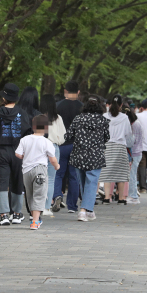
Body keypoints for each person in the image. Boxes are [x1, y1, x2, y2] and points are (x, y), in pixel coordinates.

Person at [0, 83, 32, 226]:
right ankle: (17, 213)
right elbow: (27, 133)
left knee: (2, 182)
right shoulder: (22, 113)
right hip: (18, 150)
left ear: (4, 97)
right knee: (17, 180)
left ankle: (3, 215)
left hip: (2, 150)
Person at [64, 95, 110, 221]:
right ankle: (84, 210)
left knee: (83, 182)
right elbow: (107, 138)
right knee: (91, 182)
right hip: (95, 155)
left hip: (79, 155)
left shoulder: (78, 119)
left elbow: (68, 136)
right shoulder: (103, 121)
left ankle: (89, 210)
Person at [15, 115, 60, 229]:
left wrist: (26, 156)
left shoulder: (24, 139)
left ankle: (35, 217)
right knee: (39, 194)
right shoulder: (46, 142)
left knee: (30, 195)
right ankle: (35, 222)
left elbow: (18, 154)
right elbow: (52, 158)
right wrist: (56, 165)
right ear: (46, 128)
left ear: (33, 126)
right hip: (40, 170)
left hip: (26, 171)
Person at [52, 81, 83, 213]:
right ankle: (72, 206)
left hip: (61, 145)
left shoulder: (58, 106)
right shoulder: (82, 107)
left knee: (58, 174)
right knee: (74, 176)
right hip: (77, 145)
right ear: (78, 92)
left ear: (65, 91)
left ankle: (57, 195)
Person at [99, 94, 132, 205]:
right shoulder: (124, 117)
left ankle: (107, 197)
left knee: (107, 172)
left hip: (107, 146)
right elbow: (128, 133)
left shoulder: (104, 116)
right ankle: (122, 198)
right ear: (121, 105)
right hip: (120, 146)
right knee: (121, 173)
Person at [40, 95, 66, 215]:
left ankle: (37, 207)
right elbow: (63, 137)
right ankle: (46, 208)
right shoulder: (58, 118)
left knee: (39, 178)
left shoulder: (39, 118)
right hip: (54, 147)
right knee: (50, 179)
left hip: (39, 148)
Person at [127, 111, 143, 205]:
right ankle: (133, 194)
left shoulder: (135, 125)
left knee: (132, 175)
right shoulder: (137, 124)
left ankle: (133, 196)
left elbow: (133, 140)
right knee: (132, 174)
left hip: (135, 153)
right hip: (136, 152)